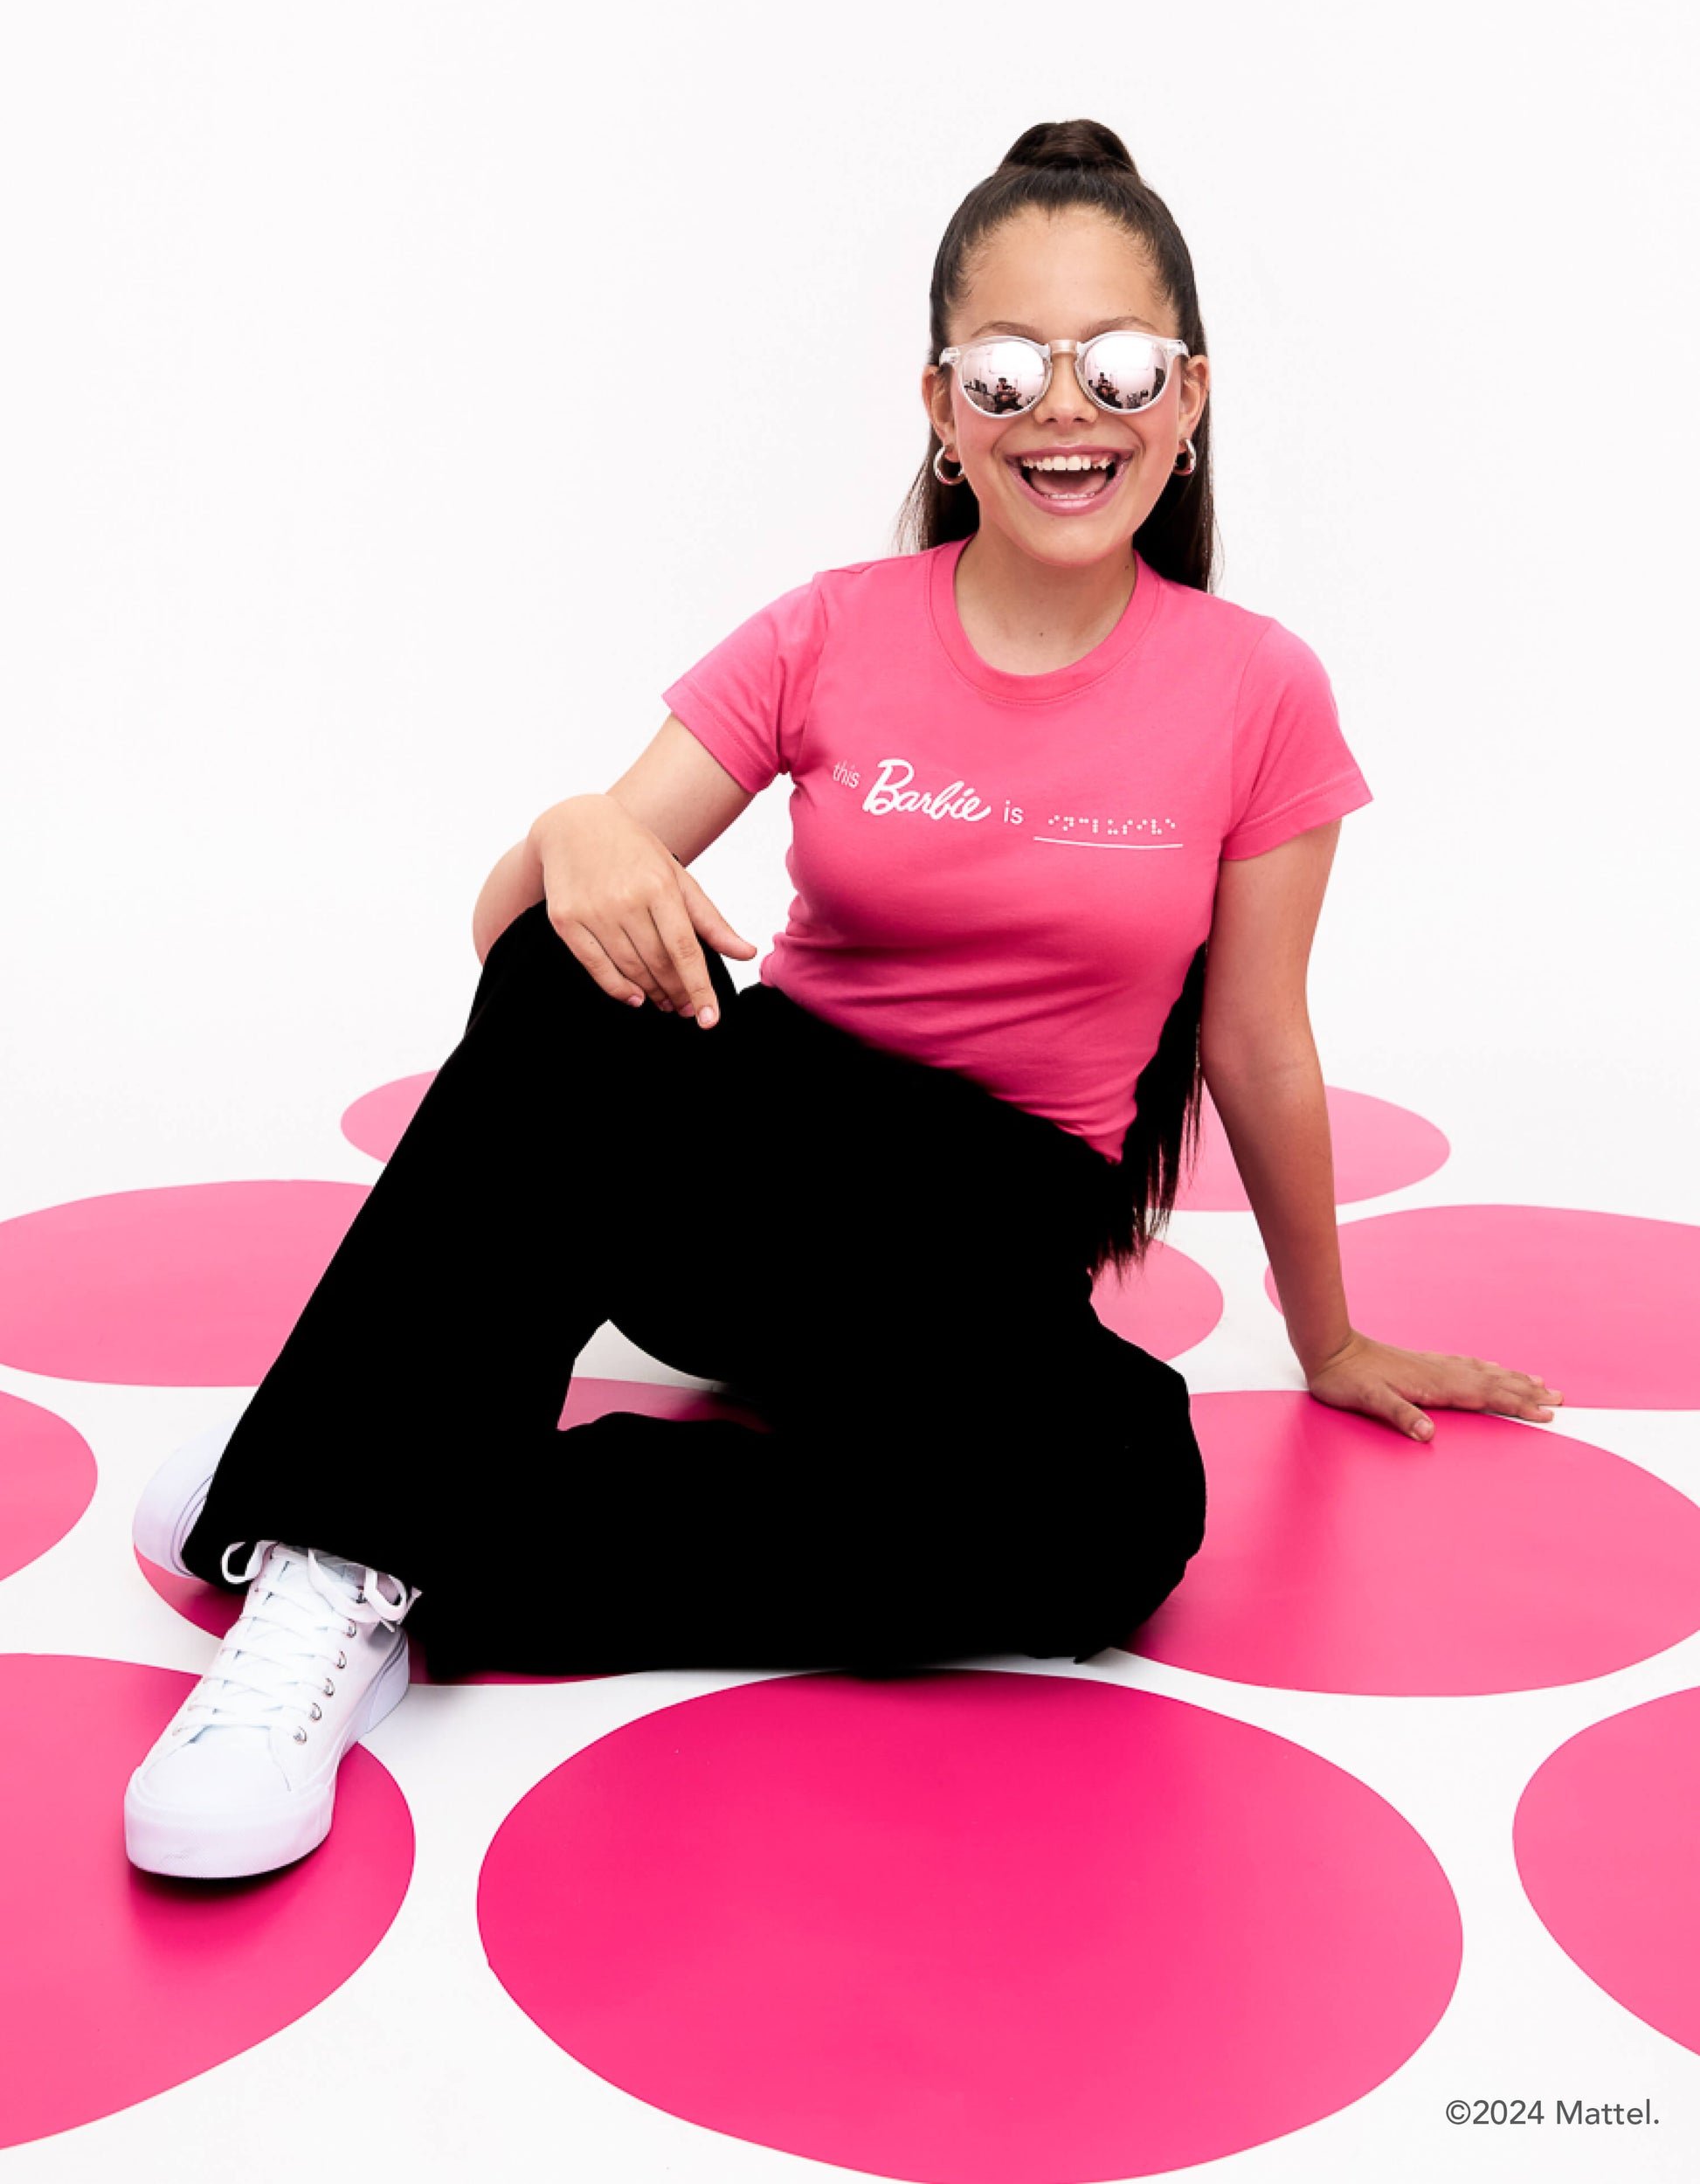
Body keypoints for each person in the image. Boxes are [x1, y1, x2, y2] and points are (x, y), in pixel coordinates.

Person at [121, 117, 1565, 1881]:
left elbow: (1260, 1038)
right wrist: (575, 829)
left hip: (979, 1242)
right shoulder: (826, 629)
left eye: (1116, 363)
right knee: (582, 972)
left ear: (1185, 400)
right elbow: (520, 946)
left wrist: (1329, 1335)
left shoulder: (1258, 690)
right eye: (1006, 365)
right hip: (741, 1170)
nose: (1066, 406)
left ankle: (348, 1487)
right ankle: (329, 1566)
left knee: (1120, 1510)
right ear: (942, 408)